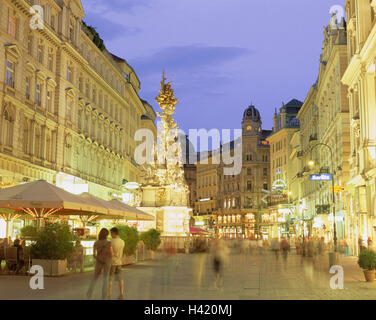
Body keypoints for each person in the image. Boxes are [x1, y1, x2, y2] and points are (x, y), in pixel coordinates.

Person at [87, 228, 113, 300]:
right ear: (106, 235)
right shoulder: (108, 243)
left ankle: (89, 294)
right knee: (105, 279)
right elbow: (111, 254)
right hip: (107, 262)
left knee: (95, 278)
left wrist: (99, 258)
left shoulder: (96, 243)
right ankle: (104, 297)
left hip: (99, 262)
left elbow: (94, 255)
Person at [108, 227, 125, 300]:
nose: (110, 235)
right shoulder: (122, 241)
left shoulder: (111, 242)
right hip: (119, 262)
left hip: (112, 263)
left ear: (114, 233)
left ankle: (109, 295)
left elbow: (111, 254)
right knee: (120, 279)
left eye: (111, 233)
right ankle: (121, 294)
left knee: (110, 279)